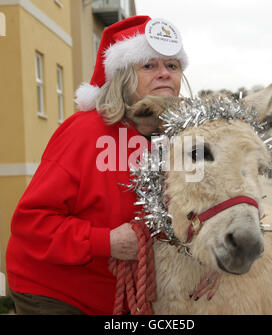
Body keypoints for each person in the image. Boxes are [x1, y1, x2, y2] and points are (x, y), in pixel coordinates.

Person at [5, 15, 190, 315]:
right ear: (123, 77)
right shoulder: (83, 132)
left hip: (122, 294)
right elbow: (31, 224)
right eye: (149, 65)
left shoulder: (180, 141)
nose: (164, 74)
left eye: (172, 66)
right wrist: (106, 241)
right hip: (56, 291)